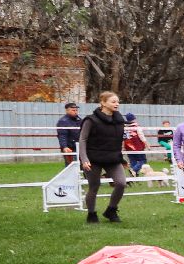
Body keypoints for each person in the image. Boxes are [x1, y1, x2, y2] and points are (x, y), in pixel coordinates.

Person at [77, 92, 129, 223]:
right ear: (103, 102)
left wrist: (122, 158)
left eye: (118, 101)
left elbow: (117, 141)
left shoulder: (120, 120)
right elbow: (82, 140)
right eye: (113, 101)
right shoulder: (91, 120)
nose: (116, 104)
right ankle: (91, 214)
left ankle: (111, 210)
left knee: (121, 183)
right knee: (94, 186)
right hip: (93, 159)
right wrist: (84, 159)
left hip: (112, 158)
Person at [55, 102, 83, 166]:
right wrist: (64, 147)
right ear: (67, 110)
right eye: (73, 110)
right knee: (71, 166)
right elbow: (62, 135)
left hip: (79, 146)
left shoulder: (79, 120)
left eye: (76, 110)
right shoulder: (63, 121)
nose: (75, 112)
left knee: (84, 166)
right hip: (70, 148)